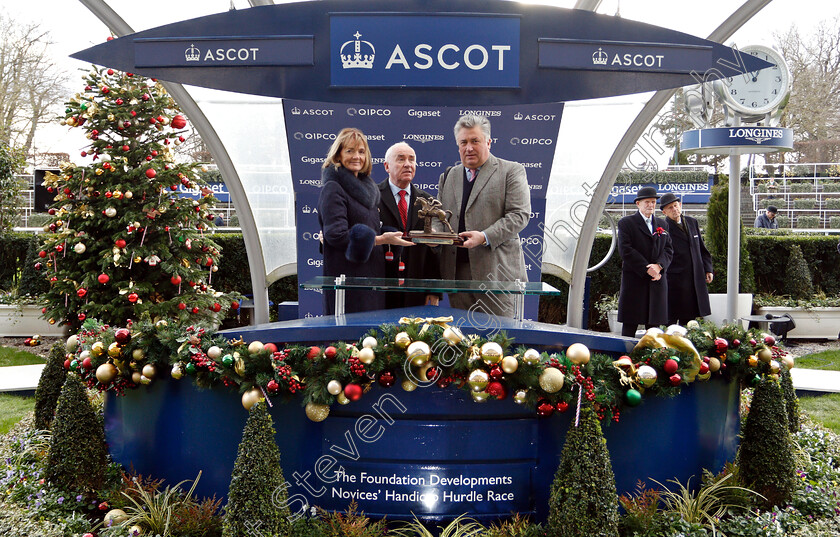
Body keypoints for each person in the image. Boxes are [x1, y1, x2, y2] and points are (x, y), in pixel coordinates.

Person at [436, 114, 530, 318]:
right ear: (458, 145)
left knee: (498, 344)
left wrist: (484, 236)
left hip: (497, 276)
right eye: (463, 142)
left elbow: (519, 215)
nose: (468, 147)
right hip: (457, 276)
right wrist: (433, 236)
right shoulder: (449, 175)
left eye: (474, 141)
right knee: (461, 340)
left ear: (488, 142)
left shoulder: (511, 171)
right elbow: (439, 216)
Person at [318, 128, 411, 315]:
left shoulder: (368, 190)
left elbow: (368, 228)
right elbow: (336, 235)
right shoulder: (333, 188)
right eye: (350, 151)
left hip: (372, 276)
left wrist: (388, 238)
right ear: (338, 155)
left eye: (361, 151)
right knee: (349, 340)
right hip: (347, 280)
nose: (356, 157)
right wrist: (382, 240)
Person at [378, 142, 441, 308]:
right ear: (386, 166)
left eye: (411, 160)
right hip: (380, 288)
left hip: (417, 290)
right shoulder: (373, 197)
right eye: (401, 159)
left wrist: (434, 289)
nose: (407, 164)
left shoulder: (428, 201)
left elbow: (434, 251)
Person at [617, 186, 673, 337]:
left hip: (657, 281)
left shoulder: (663, 224)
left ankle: (653, 358)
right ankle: (624, 358)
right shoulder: (626, 223)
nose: (650, 205)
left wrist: (659, 266)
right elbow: (626, 250)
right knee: (630, 326)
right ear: (638, 204)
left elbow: (668, 250)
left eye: (653, 202)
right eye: (647, 201)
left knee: (654, 330)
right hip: (635, 281)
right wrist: (646, 268)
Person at [659, 192, 714, 325]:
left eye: (676, 205)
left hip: (694, 278)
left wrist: (708, 269)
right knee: (670, 319)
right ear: (664, 212)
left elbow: (701, 248)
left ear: (680, 205)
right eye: (670, 208)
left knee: (690, 319)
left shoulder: (692, 222)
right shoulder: (662, 228)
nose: (674, 209)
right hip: (674, 280)